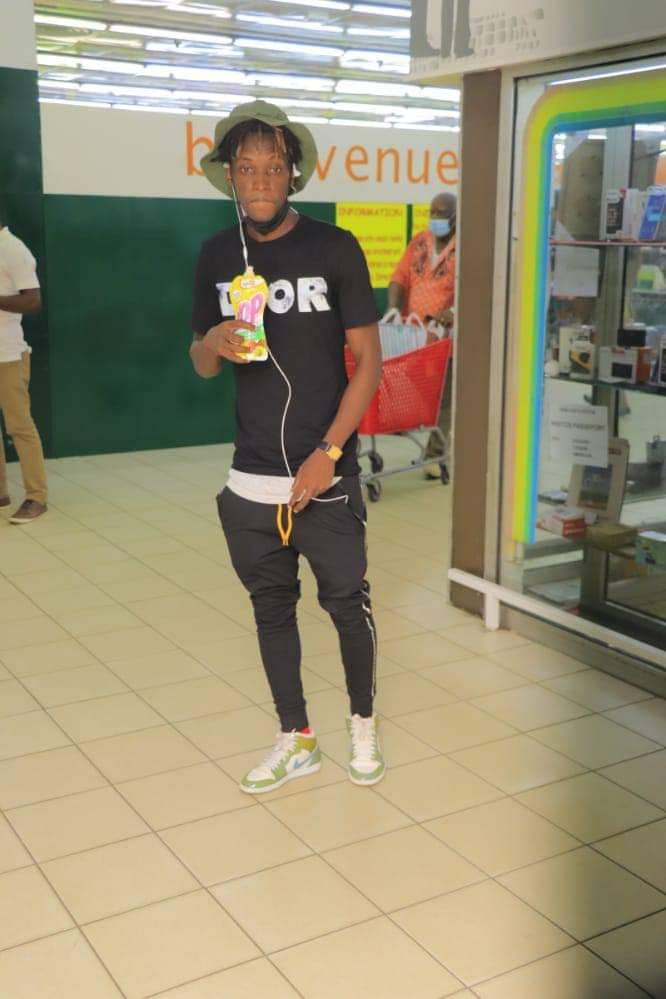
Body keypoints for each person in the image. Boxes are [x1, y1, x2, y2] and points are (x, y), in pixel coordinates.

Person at [190, 101, 385, 794]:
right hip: (251, 479)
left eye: (274, 167)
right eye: (247, 168)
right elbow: (201, 361)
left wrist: (328, 452)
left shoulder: (335, 249)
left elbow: (369, 363)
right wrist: (214, 342)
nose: (261, 179)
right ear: (229, 176)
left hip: (323, 473)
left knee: (347, 604)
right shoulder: (217, 255)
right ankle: (295, 736)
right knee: (271, 610)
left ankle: (362, 722)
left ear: (293, 173)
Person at [388, 192, 457, 477]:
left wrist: (454, 311)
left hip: (445, 337)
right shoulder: (420, 241)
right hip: (414, 335)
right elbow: (399, 277)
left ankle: (435, 455)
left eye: (442, 214)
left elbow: (473, 285)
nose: (436, 218)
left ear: (456, 217)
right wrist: (393, 309)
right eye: (433, 213)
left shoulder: (464, 248)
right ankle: (415, 434)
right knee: (418, 394)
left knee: (444, 397)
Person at [0, 219, 48, 524]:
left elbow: (33, 300)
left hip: (8, 355)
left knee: (19, 427)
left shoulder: (13, 249)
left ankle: (36, 497)